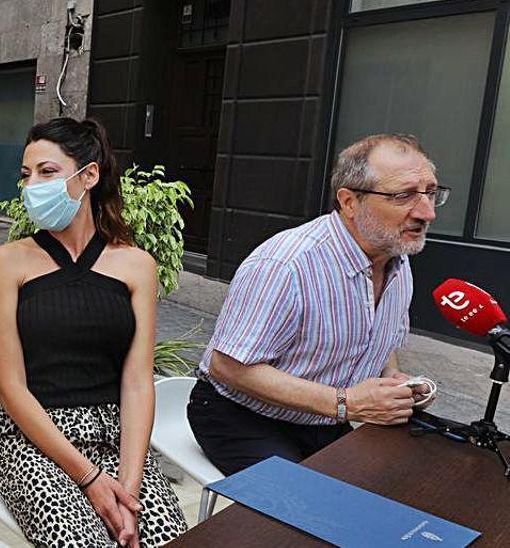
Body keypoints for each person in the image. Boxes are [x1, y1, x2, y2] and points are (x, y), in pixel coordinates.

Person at [188, 134, 443, 475]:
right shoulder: (286, 264)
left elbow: (381, 339)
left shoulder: (396, 258)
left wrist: (394, 380)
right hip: (240, 417)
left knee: (403, 484)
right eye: (403, 195)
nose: (427, 212)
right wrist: (349, 402)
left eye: (430, 192)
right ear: (350, 202)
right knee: (312, 513)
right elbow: (227, 367)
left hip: (325, 419)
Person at [0, 117, 187, 547]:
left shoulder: (136, 265)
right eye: (27, 175)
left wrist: (129, 492)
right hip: (35, 441)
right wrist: (91, 478)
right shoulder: (8, 262)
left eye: (48, 172)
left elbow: (137, 382)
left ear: (89, 175)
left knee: (166, 538)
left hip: (117, 438)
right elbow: (11, 387)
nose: (33, 185)